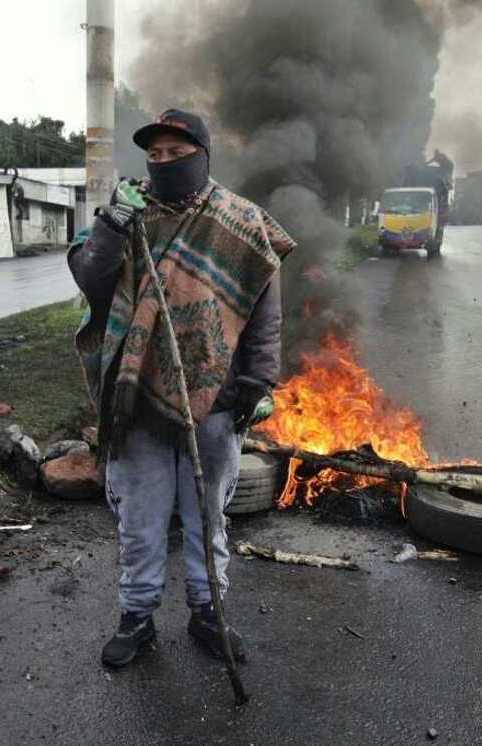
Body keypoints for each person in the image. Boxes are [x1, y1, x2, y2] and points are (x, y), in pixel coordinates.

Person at [67, 109, 295, 668]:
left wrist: (259, 377)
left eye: (176, 152)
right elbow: (91, 280)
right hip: (136, 395)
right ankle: (136, 616)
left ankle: (208, 614)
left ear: (202, 155)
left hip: (215, 398)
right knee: (140, 520)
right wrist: (110, 227)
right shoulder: (128, 214)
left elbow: (264, 309)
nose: (164, 161)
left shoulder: (240, 221)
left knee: (207, 517)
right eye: (155, 154)